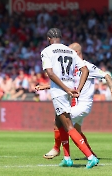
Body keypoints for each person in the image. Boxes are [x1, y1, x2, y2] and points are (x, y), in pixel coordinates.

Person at [36, 42, 112, 160]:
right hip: (77, 105)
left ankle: (58, 150)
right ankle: (90, 154)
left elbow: (106, 75)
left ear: (75, 53)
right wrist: (45, 86)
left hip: (83, 105)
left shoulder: (87, 66)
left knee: (59, 122)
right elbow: (66, 84)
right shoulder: (71, 67)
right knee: (77, 131)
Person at [40, 28, 99, 169]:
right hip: (69, 90)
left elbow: (50, 73)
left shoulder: (46, 51)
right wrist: (77, 88)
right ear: (60, 37)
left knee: (68, 125)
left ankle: (91, 157)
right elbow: (85, 69)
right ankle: (67, 158)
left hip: (59, 92)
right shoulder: (70, 51)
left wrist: (65, 89)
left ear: (49, 38)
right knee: (58, 122)